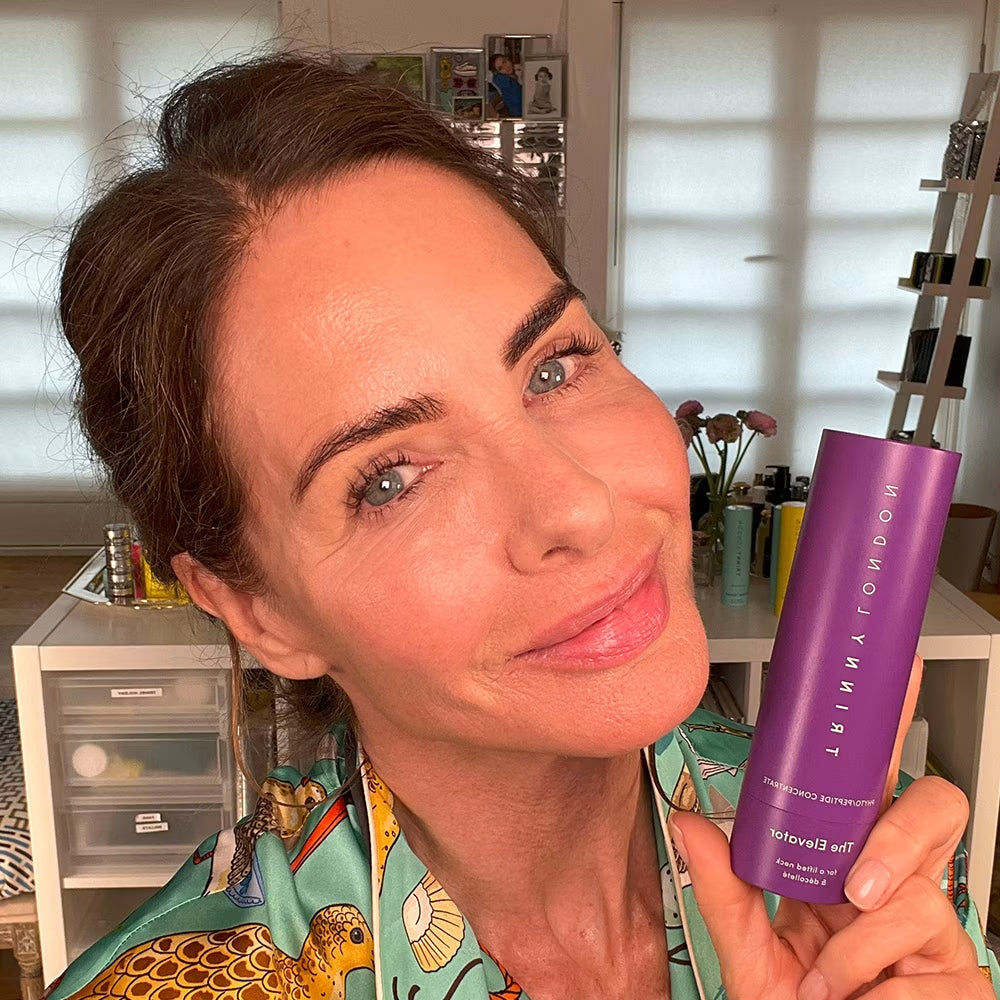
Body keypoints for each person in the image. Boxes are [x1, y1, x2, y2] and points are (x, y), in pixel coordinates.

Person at [49, 53, 997, 1000]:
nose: (578, 504)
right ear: (258, 611)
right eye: (389, 480)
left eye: (555, 365)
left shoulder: (863, 873)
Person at [489, 52, 522, 116]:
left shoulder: (516, 73)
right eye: (500, 68)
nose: (506, 67)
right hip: (519, 115)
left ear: (508, 59)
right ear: (497, 72)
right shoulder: (501, 79)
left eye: (504, 62)